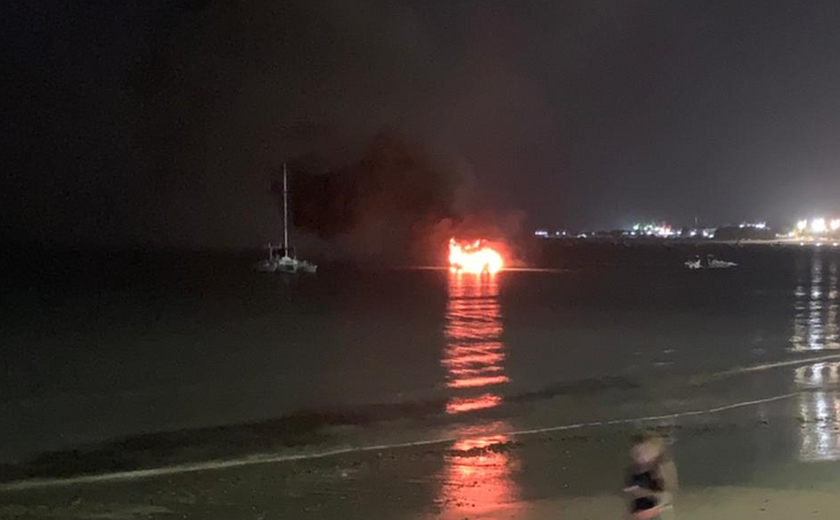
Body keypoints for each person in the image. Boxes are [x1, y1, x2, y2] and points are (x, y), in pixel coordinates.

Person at [624, 430, 678, 519]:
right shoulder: (633, 470)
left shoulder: (663, 468)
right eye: (637, 454)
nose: (640, 457)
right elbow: (628, 497)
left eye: (645, 452)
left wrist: (645, 494)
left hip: (657, 512)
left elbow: (668, 497)